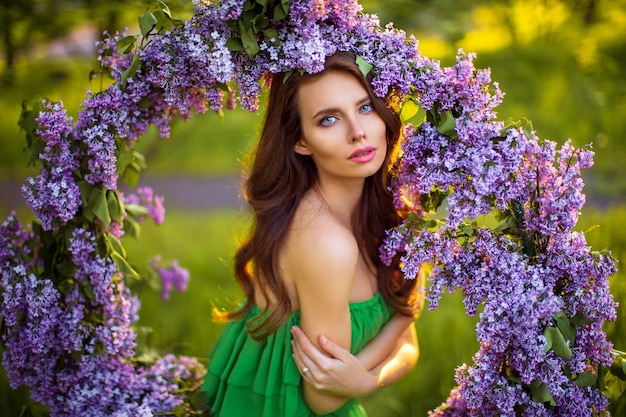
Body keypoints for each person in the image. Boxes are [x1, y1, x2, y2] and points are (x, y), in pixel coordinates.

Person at [201, 51, 422, 416]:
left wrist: (367, 376)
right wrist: (405, 317)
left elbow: (410, 346)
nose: (357, 132)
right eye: (329, 119)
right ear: (300, 141)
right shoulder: (327, 244)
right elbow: (323, 398)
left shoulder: (387, 213)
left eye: (366, 107)